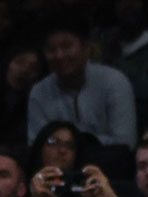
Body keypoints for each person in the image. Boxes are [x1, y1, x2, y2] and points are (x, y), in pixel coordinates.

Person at [28, 17, 137, 148]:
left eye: (66, 46)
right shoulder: (40, 91)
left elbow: (125, 143)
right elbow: (36, 144)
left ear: (86, 48)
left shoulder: (114, 82)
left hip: (110, 164)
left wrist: (72, 143)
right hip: (57, 167)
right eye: (51, 49)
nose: (59, 55)